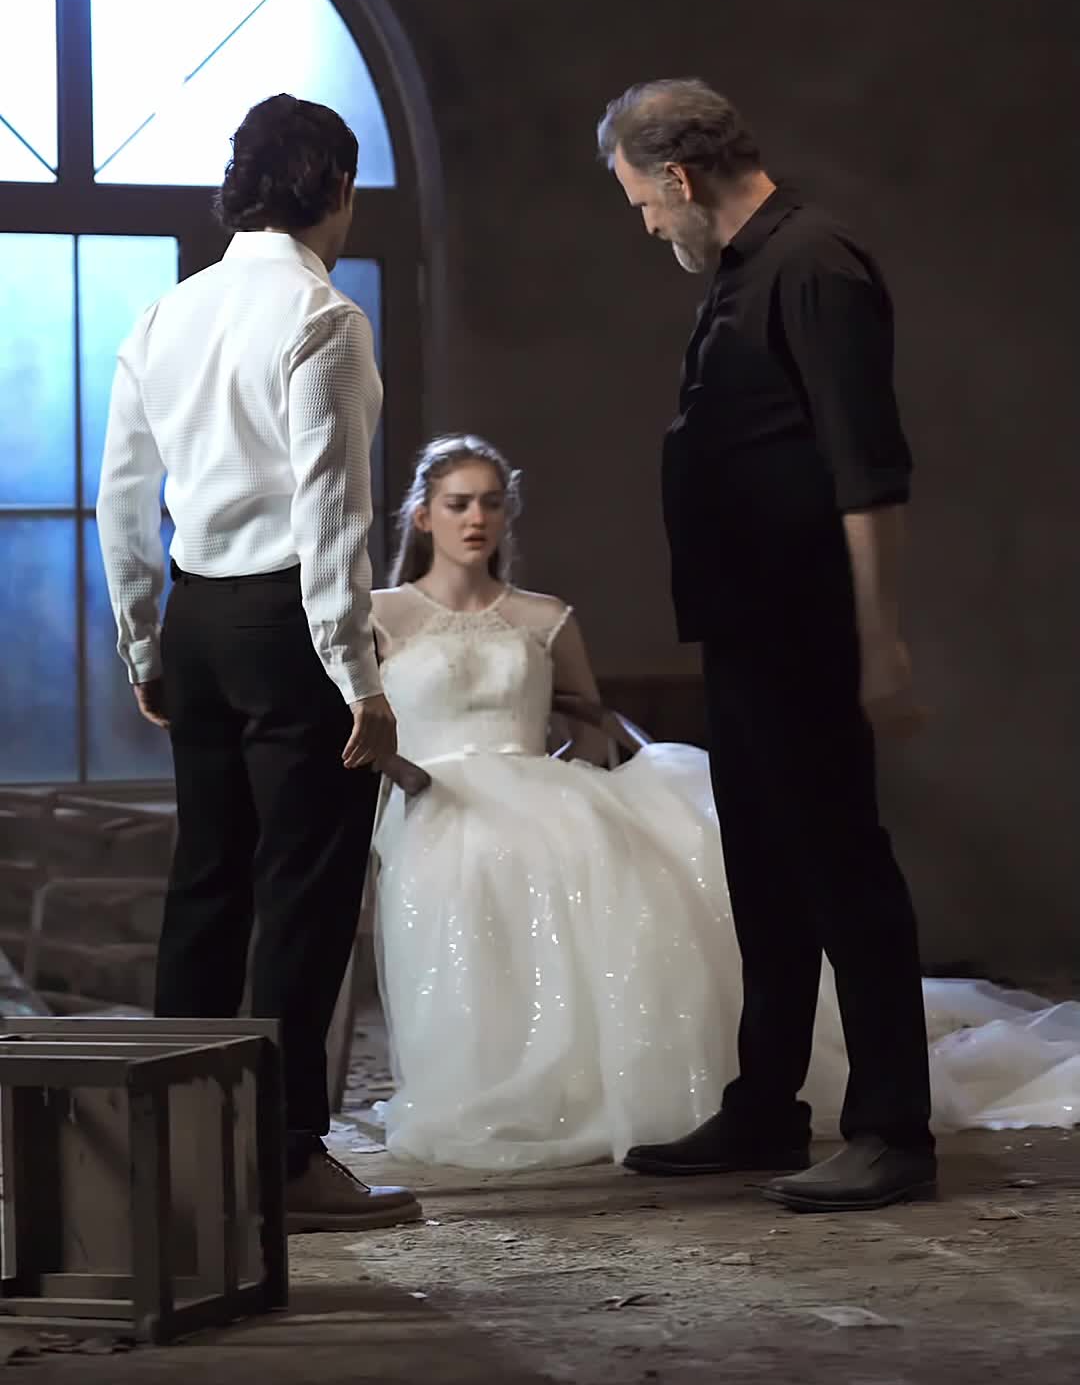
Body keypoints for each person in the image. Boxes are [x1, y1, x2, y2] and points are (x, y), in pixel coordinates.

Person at [366, 436, 1080, 1174]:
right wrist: (405, 776)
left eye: (490, 503)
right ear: (422, 516)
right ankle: (501, 1074)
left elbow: (592, 726)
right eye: (458, 504)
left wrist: (557, 781)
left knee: (623, 860)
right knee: (480, 851)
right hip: (434, 790)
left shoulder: (543, 616)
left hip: (540, 784)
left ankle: (646, 1074)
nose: (476, 518)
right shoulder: (384, 615)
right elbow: (361, 722)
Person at [596, 77, 936, 1211]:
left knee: (842, 868)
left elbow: (866, 468)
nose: (647, 225)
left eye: (645, 202)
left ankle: (893, 1129)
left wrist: (879, 640)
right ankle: (765, 1106)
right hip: (746, 628)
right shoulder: (743, 271)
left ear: (680, 177)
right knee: (767, 874)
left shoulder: (814, 265)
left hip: (806, 626)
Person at [96, 94, 421, 1234]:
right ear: (336, 186)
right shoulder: (322, 315)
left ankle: (175, 1155)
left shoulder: (166, 315)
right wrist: (360, 678)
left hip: (197, 619)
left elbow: (122, 497)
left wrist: (144, 637)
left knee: (207, 884)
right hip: (289, 626)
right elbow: (331, 516)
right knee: (304, 894)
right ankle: (283, 1159)